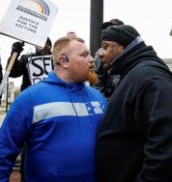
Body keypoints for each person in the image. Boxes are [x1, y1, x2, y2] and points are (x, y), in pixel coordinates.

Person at [96, 24, 172, 181]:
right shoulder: (136, 73)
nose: (100, 54)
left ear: (123, 47)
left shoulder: (150, 77)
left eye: (105, 46)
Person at [0, 36, 107, 181]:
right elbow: (4, 151)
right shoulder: (29, 99)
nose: (92, 59)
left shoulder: (98, 97)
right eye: (84, 55)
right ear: (64, 61)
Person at [94, 19, 124, 98]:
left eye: (112, 29)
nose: (108, 32)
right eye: (106, 29)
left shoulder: (130, 53)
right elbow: (96, 80)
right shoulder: (100, 54)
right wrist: (104, 101)